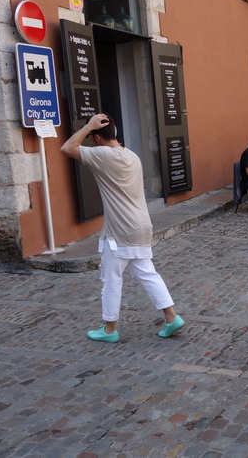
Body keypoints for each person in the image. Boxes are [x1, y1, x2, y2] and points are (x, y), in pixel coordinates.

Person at [60, 114, 184, 343]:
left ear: (96, 137)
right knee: (147, 273)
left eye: (91, 137)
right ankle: (171, 317)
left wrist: (88, 126)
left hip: (119, 230)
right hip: (141, 224)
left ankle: (109, 329)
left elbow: (67, 147)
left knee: (111, 278)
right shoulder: (132, 155)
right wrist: (92, 128)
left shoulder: (102, 155)